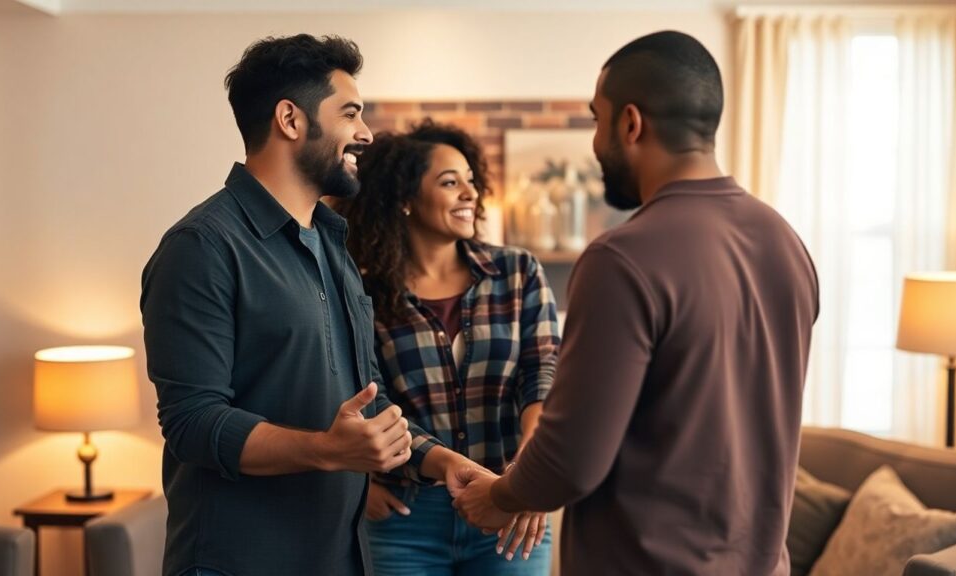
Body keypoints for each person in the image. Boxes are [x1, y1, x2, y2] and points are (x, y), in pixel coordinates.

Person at [453, 30, 820, 576]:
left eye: (597, 120)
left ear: (630, 123)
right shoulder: (786, 242)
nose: (596, 142)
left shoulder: (620, 258)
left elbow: (570, 457)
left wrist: (499, 495)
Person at [141, 35, 475, 576]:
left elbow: (365, 402)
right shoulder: (201, 247)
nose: (366, 133)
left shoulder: (330, 243)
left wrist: (440, 462)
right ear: (291, 120)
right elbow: (193, 423)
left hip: (338, 558)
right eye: (350, 113)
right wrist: (326, 449)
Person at [336, 119, 560, 575]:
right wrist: (358, 485)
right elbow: (364, 398)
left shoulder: (517, 273)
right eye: (449, 182)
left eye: (471, 181)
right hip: (405, 518)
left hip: (508, 506)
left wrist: (530, 476)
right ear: (404, 200)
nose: (470, 194)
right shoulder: (362, 290)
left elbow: (542, 375)